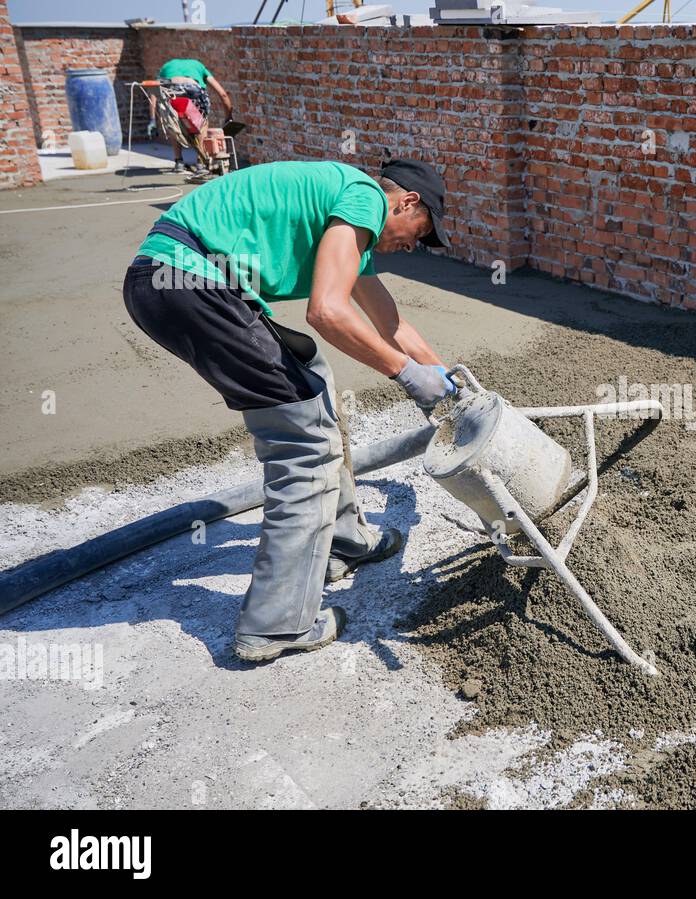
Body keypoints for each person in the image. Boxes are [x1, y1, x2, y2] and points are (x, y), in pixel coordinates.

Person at [121, 158, 457, 662]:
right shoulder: (363, 195)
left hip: (175, 282)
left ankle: (343, 538)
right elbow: (326, 311)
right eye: (418, 233)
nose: (411, 247)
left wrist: (456, 390)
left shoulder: (350, 231)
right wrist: (408, 376)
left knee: (313, 382)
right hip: (187, 280)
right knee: (305, 444)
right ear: (406, 202)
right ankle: (276, 625)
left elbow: (390, 324)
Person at [149, 58, 233, 173]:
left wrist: (152, 120)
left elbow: (154, 91)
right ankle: (201, 164)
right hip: (193, 88)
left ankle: (179, 162)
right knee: (202, 123)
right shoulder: (200, 66)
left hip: (172, 88)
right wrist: (229, 116)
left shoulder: (167, 66)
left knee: (174, 122)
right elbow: (223, 94)